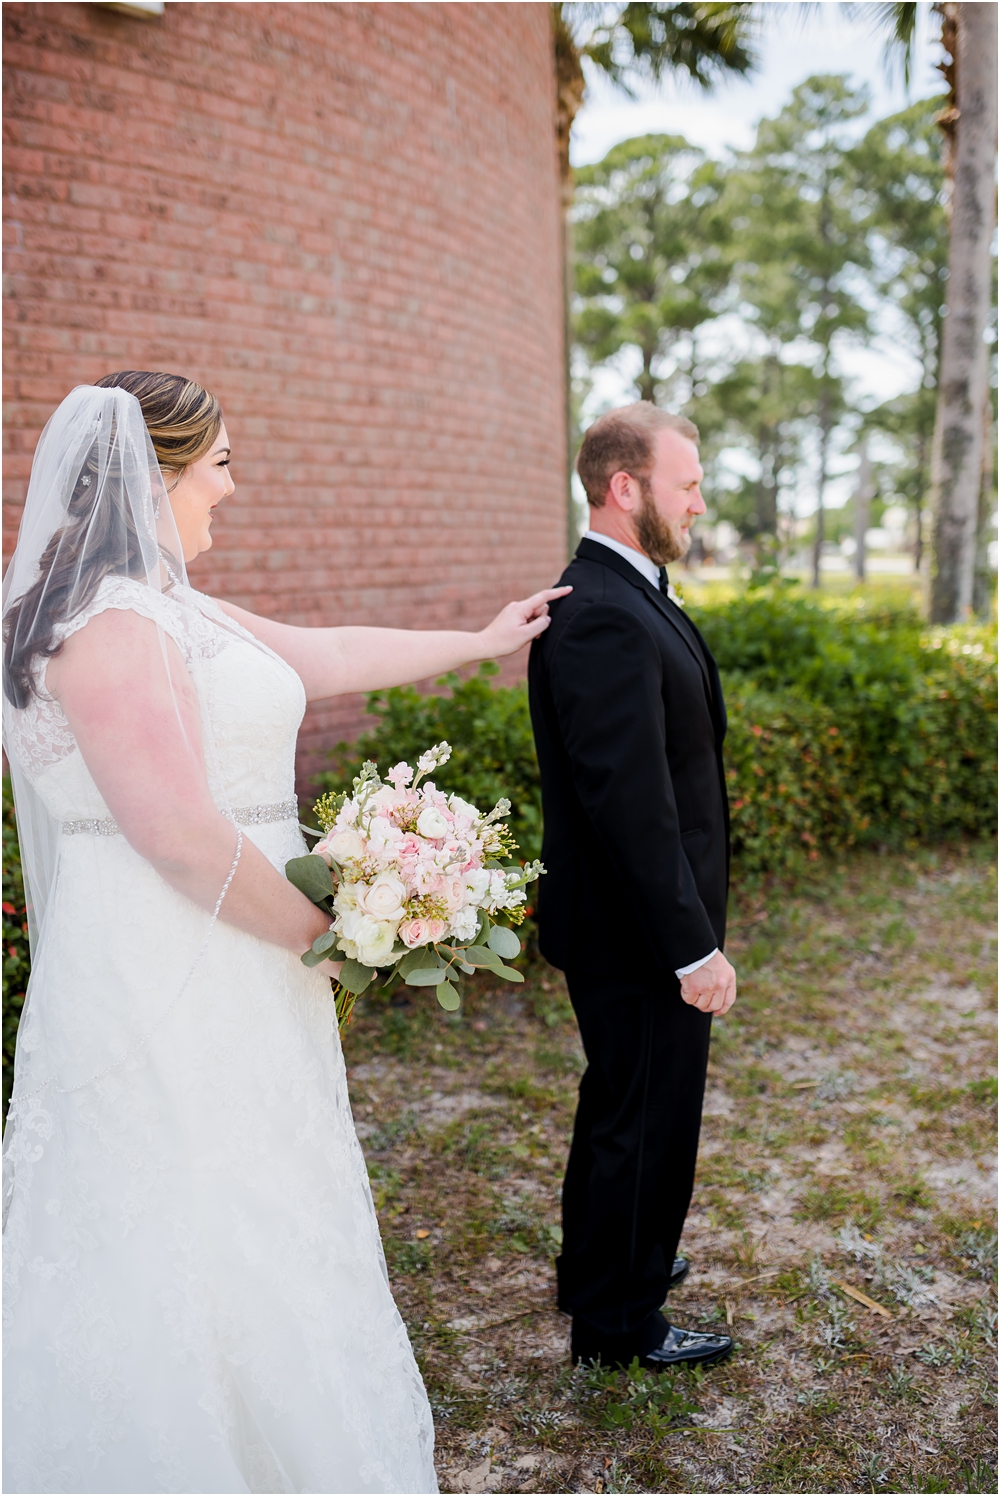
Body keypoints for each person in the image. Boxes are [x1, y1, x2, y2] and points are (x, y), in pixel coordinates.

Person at [1, 373, 569, 1495]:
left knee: (263, 1185)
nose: (231, 486)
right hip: (175, 958)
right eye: (217, 464)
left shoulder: (170, 602)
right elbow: (172, 833)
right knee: (180, 1197)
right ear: (154, 475)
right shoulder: (109, 625)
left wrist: (475, 638)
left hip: (242, 947)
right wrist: (335, 928)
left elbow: (325, 654)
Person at [528, 401, 737, 1372]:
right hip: (636, 927)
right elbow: (629, 801)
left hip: (638, 917)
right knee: (643, 1114)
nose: (699, 501)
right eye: (685, 483)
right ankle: (619, 1319)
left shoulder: (627, 590)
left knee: (628, 1102)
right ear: (626, 488)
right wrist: (690, 945)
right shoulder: (601, 612)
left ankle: (611, 1263)